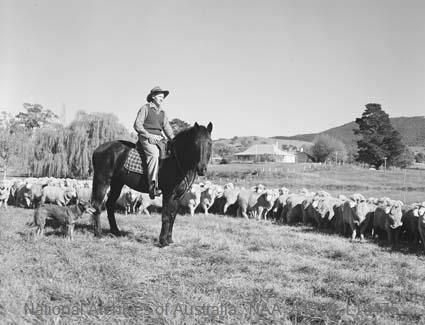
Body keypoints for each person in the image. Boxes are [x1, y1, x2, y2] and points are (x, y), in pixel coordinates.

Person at [134, 86, 174, 199]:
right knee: (154, 154)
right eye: (160, 96)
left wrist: (174, 140)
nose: (162, 98)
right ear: (153, 96)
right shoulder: (145, 108)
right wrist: (148, 136)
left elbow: (167, 128)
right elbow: (137, 125)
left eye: (163, 96)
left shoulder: (163, 113)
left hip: (160, 138)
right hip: (146, 137)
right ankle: (152, 185)